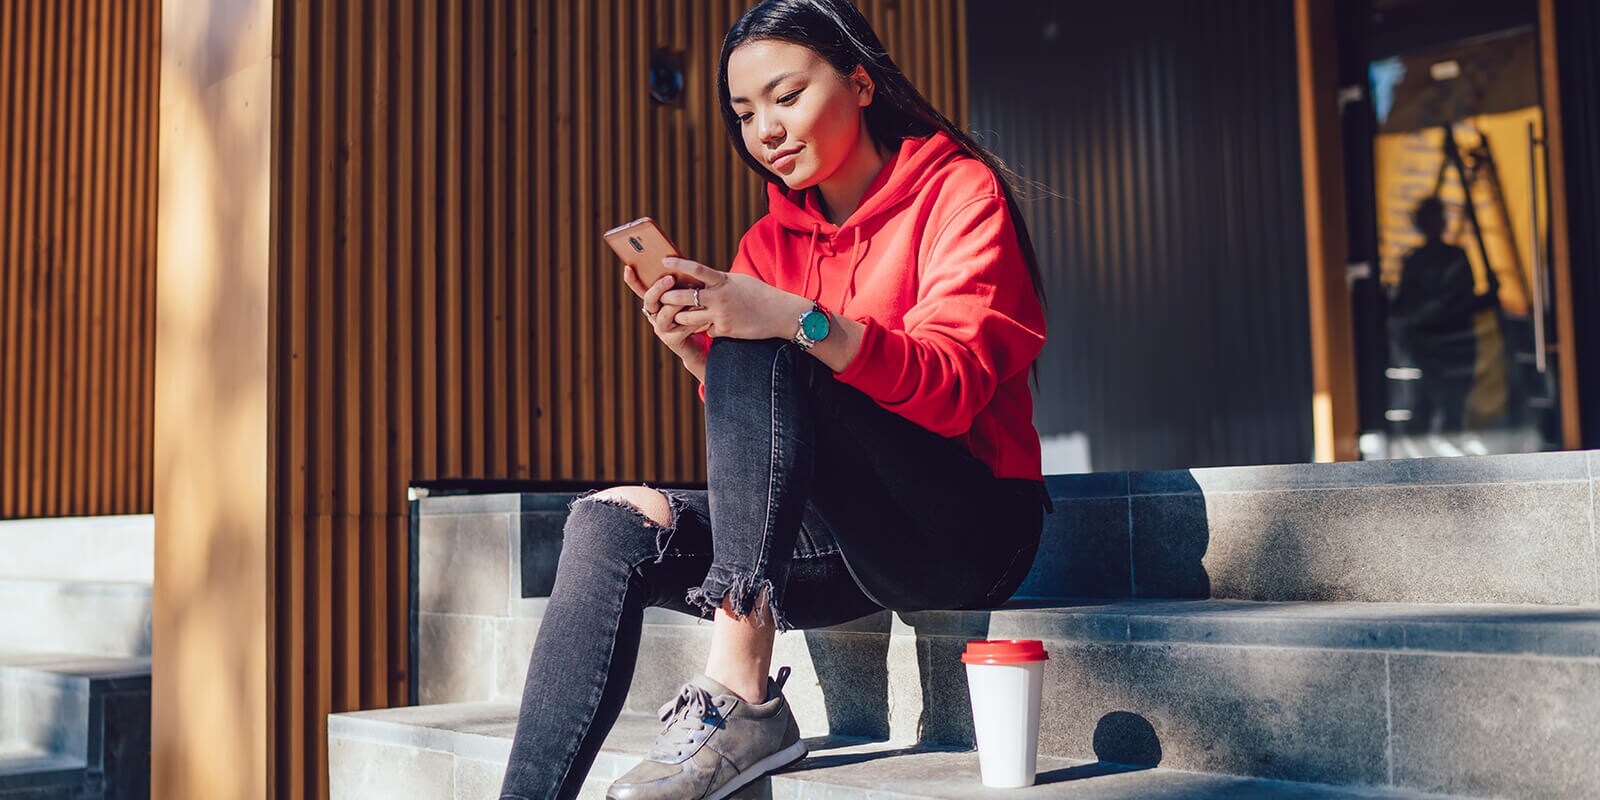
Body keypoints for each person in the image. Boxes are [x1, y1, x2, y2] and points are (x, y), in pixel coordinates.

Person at [498, 2, 1051, 798]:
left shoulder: (959, 193)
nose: (765, 130)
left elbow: (953, 391)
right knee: (607, 522)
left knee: (765, 338)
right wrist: (697, 351)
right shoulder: (768, 243)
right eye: (745, 112)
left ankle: (741, 697)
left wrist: (795, 320)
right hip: (841, 541)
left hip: (965, 528)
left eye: (786, 97)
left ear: (860, 82)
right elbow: (772, 433)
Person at [1389, 196, 1497, 433]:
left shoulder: (1452, 258)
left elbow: (1463, 302)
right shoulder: (1416, 263)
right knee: (1429, 406)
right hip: (1429, 349)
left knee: (1452, 409)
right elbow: (1408, 307)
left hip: (1456, 345)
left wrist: (1489, 296)